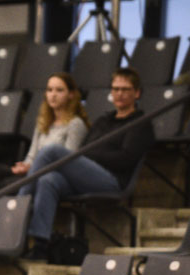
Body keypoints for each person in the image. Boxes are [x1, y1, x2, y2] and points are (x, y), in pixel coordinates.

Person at [18, 68, 154, 261]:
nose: (119, 94)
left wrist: (96, 154)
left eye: (125, 89)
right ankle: (40, 246)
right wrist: (95, 154)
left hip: (112, 180)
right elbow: (85, 150)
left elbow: (124, 159)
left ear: (137, 93)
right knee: (49, 179)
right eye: (115, 89)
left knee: (52, 151)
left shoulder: (140, 123)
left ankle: (17, 211)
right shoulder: (103, 121)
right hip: (87, 175)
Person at [0, 73, 89, 200]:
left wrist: (33, 167)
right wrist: (24, 166)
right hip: (31, 173)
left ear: (71, 94)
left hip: (51, 176)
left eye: (59, 90)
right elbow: (31, 156)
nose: (53, 95)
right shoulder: (43, 122)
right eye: (50, 90)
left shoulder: (76, 124)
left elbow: (67, 162)